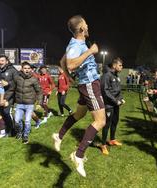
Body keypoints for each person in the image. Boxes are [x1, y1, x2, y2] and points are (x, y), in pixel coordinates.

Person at [52, 15, 106, 177]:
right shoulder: (77, 44)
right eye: (86, 25)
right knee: (100, 121)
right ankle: (79, 154)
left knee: (80, 113)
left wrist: (68, 77)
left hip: (86, 83)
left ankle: (59, 135)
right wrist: (91, 51)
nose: (88, 27)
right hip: (89, 84)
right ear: (81, 29)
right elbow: (70, 64)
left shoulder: (74, 43)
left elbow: (62, 62)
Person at [4, 62, 42, 144]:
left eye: (28, 68)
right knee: (17, 121)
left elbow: (39, 92)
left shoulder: (34, 79)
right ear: (22, 69)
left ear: (31, 69)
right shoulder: (17, 78)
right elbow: (12, 89)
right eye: (25, 68)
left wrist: (39, 103)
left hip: (29, 104)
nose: (27, 70)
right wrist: (6, 99)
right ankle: (19, 132)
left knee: (27, 121)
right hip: (19, 104)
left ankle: (25, 135)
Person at [100, 58, 125, 155]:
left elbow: (118, 90)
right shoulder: (106, 75)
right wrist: (115, 101)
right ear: (114, 65)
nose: (121, 67)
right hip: (109, 105)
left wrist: (121, 98)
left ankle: (112, 140)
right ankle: (103, 145)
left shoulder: (116, 76)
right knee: (107, 124)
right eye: (120, 65)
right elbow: (105, 91)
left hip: (116, 104)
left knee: (115, 122)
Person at [0, 55, 19, 136]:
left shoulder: (12, 70)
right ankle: (7, 128)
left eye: (2, 60)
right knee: (1, 113)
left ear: (7, 61)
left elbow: (17, 82)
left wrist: (8, 83)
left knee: (7, 112)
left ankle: (13, 130)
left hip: (9, 95)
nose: (0, 62)